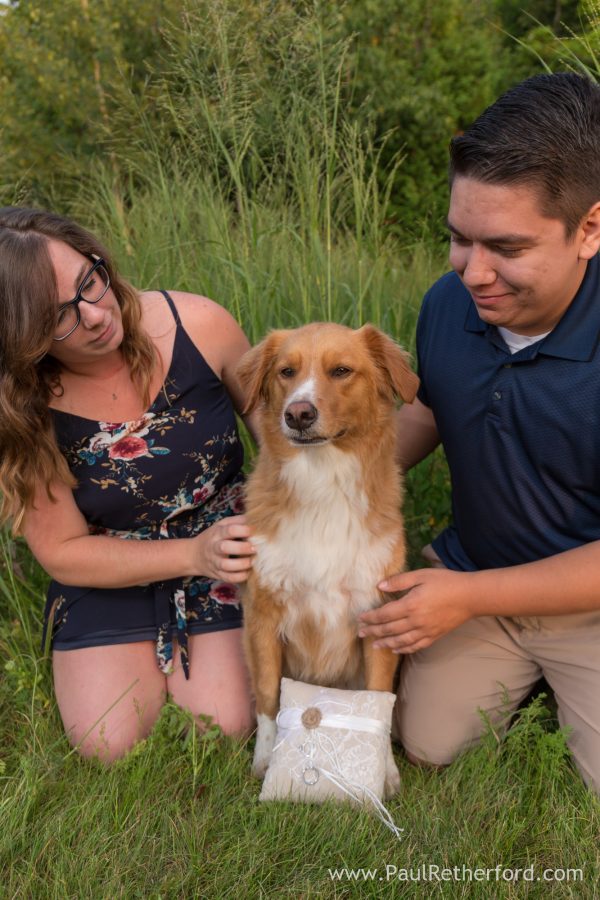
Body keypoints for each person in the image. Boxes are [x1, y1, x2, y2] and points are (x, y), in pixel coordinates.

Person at [358, 72, 600, 792]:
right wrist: (335, 485)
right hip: (475, 567)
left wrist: (468, 599)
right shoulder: (448, 302)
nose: (473, 272)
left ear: (589, 228)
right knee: (429, 743)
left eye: (506, 247)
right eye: (459, 239)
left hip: (585, 600)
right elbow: (434, 407)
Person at [0, 207, 258, 761]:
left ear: (99, 261)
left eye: (89, 282)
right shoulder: (23, 408)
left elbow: (282, 439)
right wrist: (192, 553)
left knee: (225, 725)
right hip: (110, 562)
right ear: (23, 339)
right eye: (59, 317)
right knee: (106, 743)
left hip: (229, 547)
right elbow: (65, 552)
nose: (94, 315)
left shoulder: (200, 324)